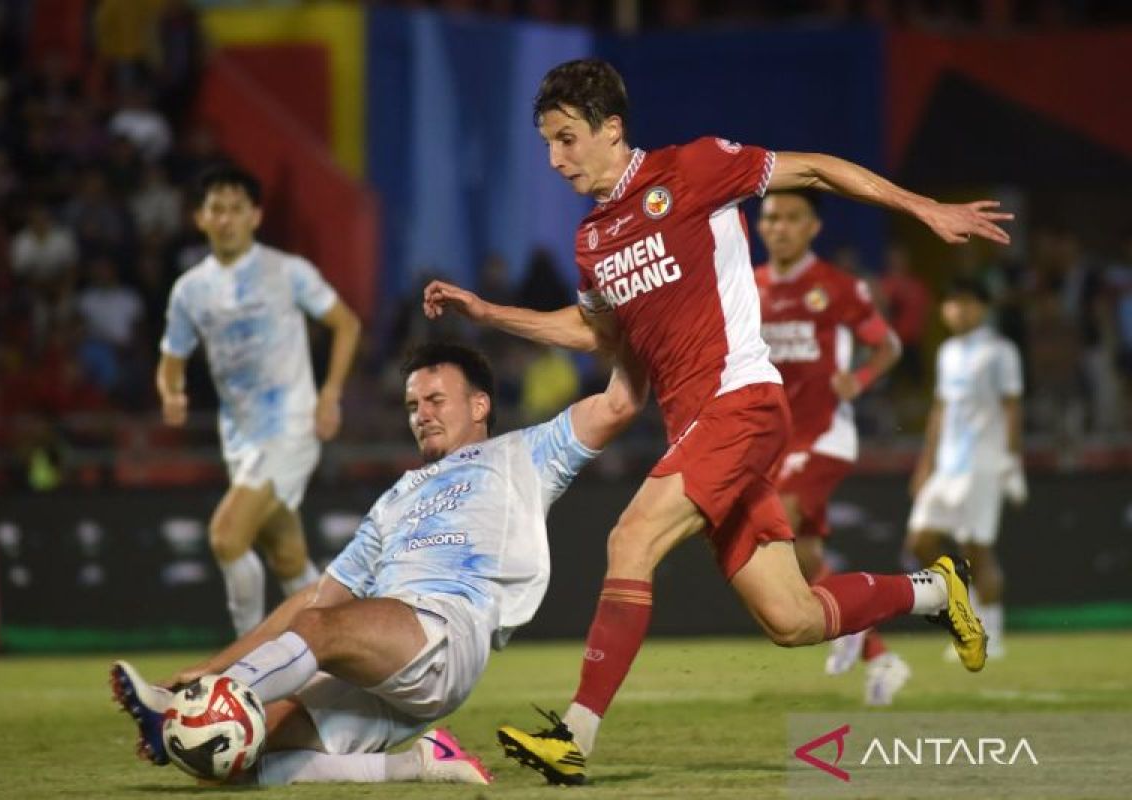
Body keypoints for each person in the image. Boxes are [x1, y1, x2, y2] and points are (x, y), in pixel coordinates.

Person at [422, 58, 1010, 784]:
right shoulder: (592, 241)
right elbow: (598, 336)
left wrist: (923, 207)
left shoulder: (694, 170)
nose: (555, 158)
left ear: (611, 129)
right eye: (547, 142)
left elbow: (818, 172)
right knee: (792, 619)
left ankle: (574, 734)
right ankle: (935, 590)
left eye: (567, 138)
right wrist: (490, 314)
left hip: (744, 403)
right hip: (699, 432)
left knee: (630, 535)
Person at [111, 341, 647, 786]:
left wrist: (637, 316)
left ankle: (180, 715)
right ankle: (424, 764)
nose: (422, 415)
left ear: (480, 405)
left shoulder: (526, 453)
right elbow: (317, 600)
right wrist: (216, 665)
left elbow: (620, 401)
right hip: (379, 655)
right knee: (231, 766)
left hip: (445, 631)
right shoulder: (396, 498)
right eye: (414, 406)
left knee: (310, 639)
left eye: (436, 400)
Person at [157, 164, 361, 636]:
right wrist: (172, 392)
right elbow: (171, 355)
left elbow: (346, 324)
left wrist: (329, 395)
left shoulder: (287, 272)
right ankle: (343, 655)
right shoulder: (190, 290)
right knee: (288, 557)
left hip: (290, 428)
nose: (225, 218)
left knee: (226, 537)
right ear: (200, 218)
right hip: (240, 440)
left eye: (235, 209)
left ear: (255, 216)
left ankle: (245, 665)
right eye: (216, 209)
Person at [753, 189, 907, 704]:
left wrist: (859, 380)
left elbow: (888, 344)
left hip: (824, 437)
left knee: (782, 520)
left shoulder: (836, 287)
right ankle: (878, 653)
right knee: (804, 558)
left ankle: (875, 618)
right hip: (774, 441)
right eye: (771, 218)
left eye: (792, 219)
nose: (779, 227)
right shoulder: (747, 289)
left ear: (813, 227)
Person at [907, 278, 1025, 660]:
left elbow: (1011, 407)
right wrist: (925, 465)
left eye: (966, 303)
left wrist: (1011, 460)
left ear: (983, 307)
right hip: (947, 466)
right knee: (920, 541)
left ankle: (990, 633)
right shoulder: (946, 352)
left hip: (983, 464)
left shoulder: (1000, 352)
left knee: (977, 550)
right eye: (951, 303)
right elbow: (940, 410)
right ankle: (964, 611)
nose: (957, 310)